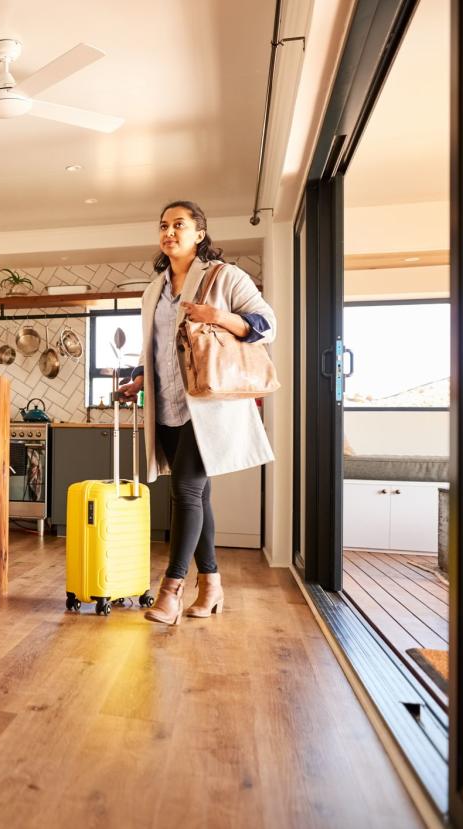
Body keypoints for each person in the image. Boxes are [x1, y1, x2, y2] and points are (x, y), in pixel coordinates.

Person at [115, 200, 277, 625]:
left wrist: (219, 316)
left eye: (179, 225)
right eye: (164, 225)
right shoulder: (155, 289)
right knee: (197, 496)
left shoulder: (225, 276)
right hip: (167, 404)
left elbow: (266, 323)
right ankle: (212, 587)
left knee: (185, 492)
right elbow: (159, 348)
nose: (169, 232)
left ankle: (171, 590)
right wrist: (139, 379)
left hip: (207, 405)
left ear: (199, 234)